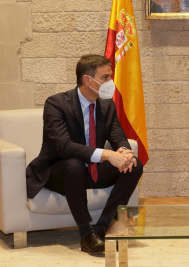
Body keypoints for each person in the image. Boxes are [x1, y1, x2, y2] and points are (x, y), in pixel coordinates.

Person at [26, 54, 143, 255]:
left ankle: (103, 227)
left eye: (110, 77)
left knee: (134, 164)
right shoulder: (56, 104)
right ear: (87, 80)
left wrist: (123, 151)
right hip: (57, 173)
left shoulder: (107, 105)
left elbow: (117, 135)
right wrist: (107, 155)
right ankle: (85, 234)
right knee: (74, 164)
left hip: (91, 172)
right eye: (105, 77)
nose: (110, 83)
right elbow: (63, 146)